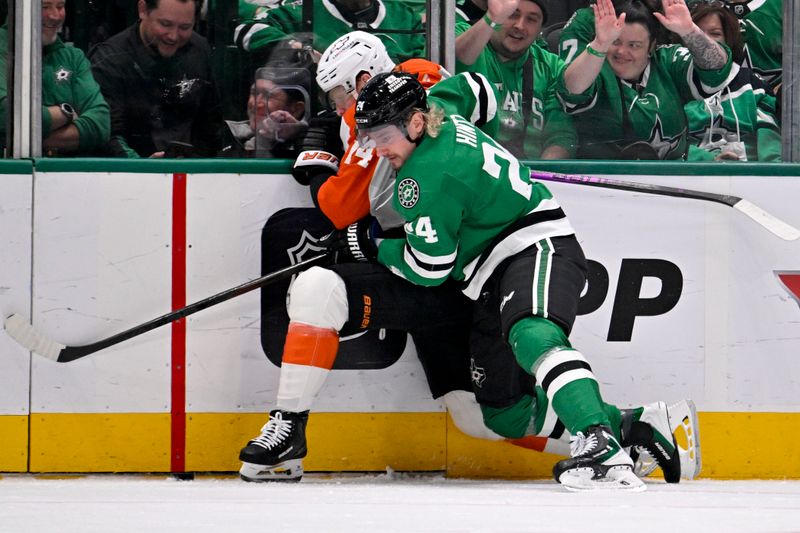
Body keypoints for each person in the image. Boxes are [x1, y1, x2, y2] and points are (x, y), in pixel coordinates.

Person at [239, 70, 701, 490]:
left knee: (533, 331)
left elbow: (428, 267)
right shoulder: (440, 103)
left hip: (531, 247)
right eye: (370, 136)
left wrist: (372, 245)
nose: (378, 149)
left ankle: (600, 444)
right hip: (479, 279)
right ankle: (635, 425)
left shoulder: (425, 178)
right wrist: (488, 161)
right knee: (501, 414)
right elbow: (478, 86)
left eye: (383, 136)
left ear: (416, 123)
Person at [558, 0, 734, 160]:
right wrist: (601, 43)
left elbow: (717, 68)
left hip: (676, 180)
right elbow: (572, 88)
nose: (621, 52)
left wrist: (689, 30)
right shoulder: (595, 68)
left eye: (634, 45)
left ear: (651, 46)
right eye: (616, 42)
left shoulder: (666, 60)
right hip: (606, 182)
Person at [89, 0, 223, 158]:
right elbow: (107, 134)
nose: (173, 36)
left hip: (190, 170)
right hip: (128, 172)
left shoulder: (200, 50)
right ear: (143, 10)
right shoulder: (110, 59)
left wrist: (197, 166)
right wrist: (143, 167)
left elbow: (211, 125)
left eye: (185, 27)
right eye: (165, 24)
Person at [455, 0, 578, 160]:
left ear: (540, 29)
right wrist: (491, 18)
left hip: (529, 175)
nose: (520, 26)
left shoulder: (549, 65)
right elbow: (454, 59)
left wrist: (539, 177)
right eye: (512, 14)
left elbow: (561, 136)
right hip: (468, 170)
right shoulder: (465, 35)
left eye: (531, 19)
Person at [0, 0, 110, 156]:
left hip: (63, 174)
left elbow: (101, 123)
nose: (55, 15)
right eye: (44, 7)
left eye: (60, 6)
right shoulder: (3, 48)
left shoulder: (73, 57)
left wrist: (19, 140)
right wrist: (66, 113)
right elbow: (5, 112)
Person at [684, 2, 779, 161]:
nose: (706, 41)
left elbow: (770, 140)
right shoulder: (671, 82)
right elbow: (666, 145)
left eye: (715, 33)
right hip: (688, 178)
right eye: (697, 33)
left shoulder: (753, 85)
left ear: (729, 40)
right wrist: (706, 160)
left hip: (747, 177)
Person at [233, 0, 426, 64]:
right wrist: (298, 48)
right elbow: (246, 30)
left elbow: (424, 64)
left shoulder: (403, 16)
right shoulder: (304, 10)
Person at [219, 65, 310, 158]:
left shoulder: (310, 148)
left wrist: (290, 139)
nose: (255, 104)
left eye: (268, 95)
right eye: (254, 93)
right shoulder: (225, 138)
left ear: (296, 110)